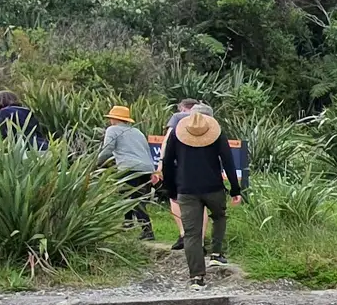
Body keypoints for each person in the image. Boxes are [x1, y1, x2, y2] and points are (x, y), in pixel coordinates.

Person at [160, 104, 244, 289]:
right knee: (219, 216)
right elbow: (228, 161)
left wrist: (170, 189)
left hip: (186, 189)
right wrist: (236, 190)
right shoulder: (217, 134)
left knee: (192, 234)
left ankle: (196, 278)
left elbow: (167, 162)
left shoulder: (176, 135)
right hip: (213, 187)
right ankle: (216, 254)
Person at [99, 105, 157, 241]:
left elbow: (108, 149)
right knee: (129, 196)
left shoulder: (113, 130)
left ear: (114, 119)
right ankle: (127, 223)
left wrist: (96, 162)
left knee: (132, 199)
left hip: (129, 168)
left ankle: (147, 230)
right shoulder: (137, 132)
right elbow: (146, 150)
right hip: (146, 167)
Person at [159, 98, 202, 251]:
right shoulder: (206, 118)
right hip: (201, 166)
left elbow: (167, 141)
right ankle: (200, 238)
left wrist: (162, 162)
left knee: (175, 199)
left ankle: (184, 234)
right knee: (201, 201)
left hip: (179, 165)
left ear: (183, 108)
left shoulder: (178, 118)